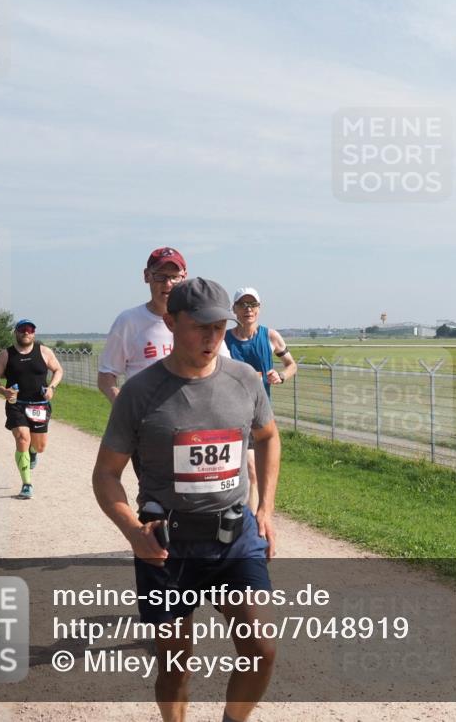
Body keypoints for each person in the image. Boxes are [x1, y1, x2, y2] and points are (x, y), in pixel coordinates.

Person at [93, 278, 280, 722]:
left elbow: (268, 437)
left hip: (235, 537)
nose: (212, 338)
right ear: (171, 321)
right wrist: (133, 532)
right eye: (200, 327)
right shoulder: (139, 394)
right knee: (176, 665)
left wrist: (266, 509)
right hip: (166, 546)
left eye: (220, 327)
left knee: (261, 647)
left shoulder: (244, 380)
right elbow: (105, 475)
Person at [99, 247, 230, 404]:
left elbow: (225, 368)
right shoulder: (128, 321)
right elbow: (106, 375)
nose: (168, 284)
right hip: (146, 421)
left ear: (184, 277)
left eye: (175, 277)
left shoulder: (201, 320)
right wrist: (125, 407)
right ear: (147, 276)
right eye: (160, 276)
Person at [224, 287, 296, 513]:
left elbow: (292, 365)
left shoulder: (270, 336)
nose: (248, 309)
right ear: (234, 309)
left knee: (254, 472)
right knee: (241, 470)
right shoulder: (224, 340)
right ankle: (237, 517)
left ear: (259, 309)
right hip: (230, 414)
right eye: (243, 305)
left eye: (252, 305)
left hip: (260, 414)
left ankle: (252, 523)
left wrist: (281, 376)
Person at [0, 319, 64, 500]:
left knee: (40, 446)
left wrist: (52, 388)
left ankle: (33, 452)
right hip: (17, 404)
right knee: (22, 437)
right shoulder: (6, 355)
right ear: (16, 332)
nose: (26, 333)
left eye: (29, 330)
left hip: (40, 405)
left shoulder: (44, 352)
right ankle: (27, 484)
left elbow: (58, 370)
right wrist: (3, 391)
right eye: (22, 329)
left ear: (34, 333)